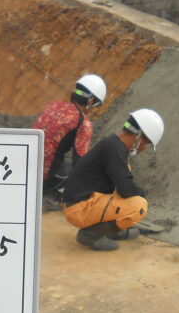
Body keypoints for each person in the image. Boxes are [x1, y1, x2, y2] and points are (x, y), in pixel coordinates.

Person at [62, 108, 164, 252]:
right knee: (138, 206)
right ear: (139, 137)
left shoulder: (113, 145)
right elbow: (126, 189)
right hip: (79, 208)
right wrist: (142, 194)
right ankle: (91, 234)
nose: (143, 149)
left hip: (81, 202)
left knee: (126, 175)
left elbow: (121, 185)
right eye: (147, 145)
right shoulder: (114, 149)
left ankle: (110, 231)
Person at [31, 74, 107, 210]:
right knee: (89, 170)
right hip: (43, 178)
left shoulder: (55, 105)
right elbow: (80, 163)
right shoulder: (83, 123)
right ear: (91, 101)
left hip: (25, 167)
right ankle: (52, 196)